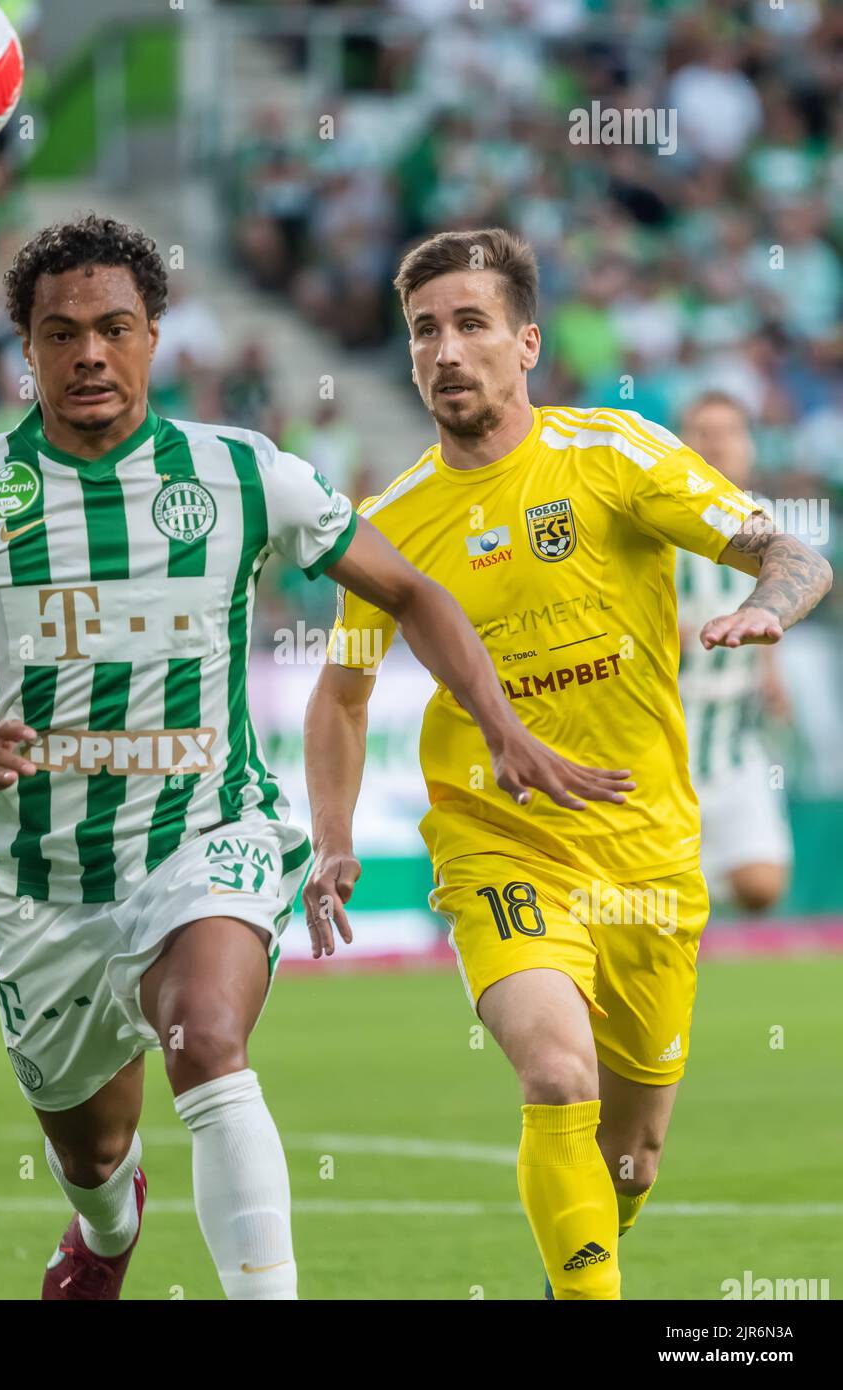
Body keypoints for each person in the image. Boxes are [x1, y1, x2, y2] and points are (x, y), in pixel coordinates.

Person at [0, 213, 627, 1302]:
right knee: (92, 1156)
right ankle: (105, 1221)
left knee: (207, 1037)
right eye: (60, 332)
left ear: (153, 337)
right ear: (26, 349)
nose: (89, 352)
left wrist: (504, 723)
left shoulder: (240, 473)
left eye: (114, 328)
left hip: (206, 837)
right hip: (41, 889)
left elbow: (411, 588)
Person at [303, 227, 831, 1300]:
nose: (444, 352)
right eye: (422, 332)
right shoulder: (385, 526)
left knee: (629, 1159)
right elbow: (341, 694)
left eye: (468, 324)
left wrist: (761, 610)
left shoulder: (613, 454)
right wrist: (333, 838)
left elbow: (793, 551)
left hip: (645, 849)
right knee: (553, 1069)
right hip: (497, 836)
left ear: (525, 341)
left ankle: (575, 1262)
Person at [676, 391, 793, 911]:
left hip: (734, 737)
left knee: (762, 887)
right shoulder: (662, 523)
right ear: (682, 443)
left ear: (748, 444)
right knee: (654, 904)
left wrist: (772, 675)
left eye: (728, 432)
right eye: (704, 432)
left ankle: (690, 891)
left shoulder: (765, 524)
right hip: (666, 739)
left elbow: (768, 605)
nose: (717, 443)